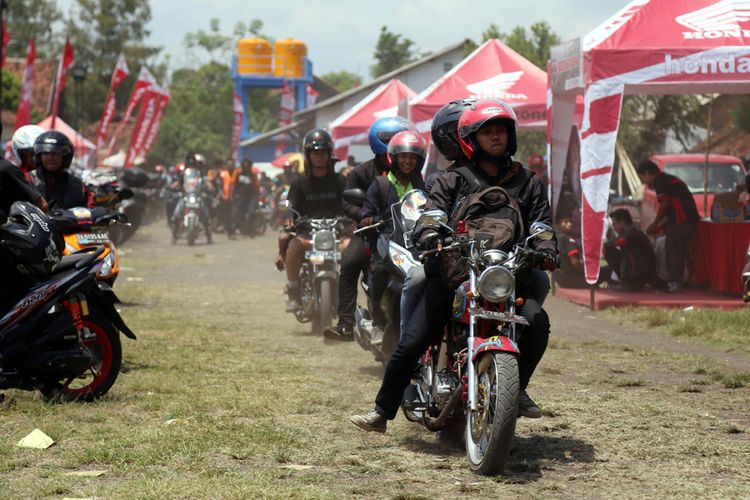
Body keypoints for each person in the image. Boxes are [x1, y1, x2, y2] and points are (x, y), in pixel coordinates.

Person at [350, 99, 558, 432]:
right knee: (412, 341)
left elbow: (541, 225)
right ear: (470, 139)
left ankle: (517, 389)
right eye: (487, 132)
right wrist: (431, 234)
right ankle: (382, 410)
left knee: (537, 322)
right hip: (456, 273)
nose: (495, 138)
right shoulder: (449, 179)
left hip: (506, 275)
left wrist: (546, 247)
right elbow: (431, 214)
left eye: (501, 131)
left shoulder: (527, 181)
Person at [324, 116, 415, 338]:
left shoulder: (413, 172)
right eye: (393, 138)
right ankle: (345, 322)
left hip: (405, 235)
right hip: (370, 233)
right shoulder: (361, 172)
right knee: (350, 262)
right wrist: (365, 218)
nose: (400, 143)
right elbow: (346, 201)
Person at [358, 130, 427, 345]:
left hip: (414, 239)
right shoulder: (381, 184)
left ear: (419, 160)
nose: (407, 161)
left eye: (412, 156)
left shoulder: (419, 182)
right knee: (379, 270)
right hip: (387, 237)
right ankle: (378, 320)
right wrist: (368, 219)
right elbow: (366, 211)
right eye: (403, 156)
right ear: (393, 157)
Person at [274, 129, 345, 312]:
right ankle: (293, 290)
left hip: (336, 232)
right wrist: (289, 218)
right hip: (307, 233)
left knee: (353, 248)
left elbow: (350, 204)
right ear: (308, 155)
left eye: (323, 153)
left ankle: (351, 292)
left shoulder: (340, 181)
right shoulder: (299, 183)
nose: (320, 157)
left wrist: (353, 218)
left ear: (329, 154)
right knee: (293, 245)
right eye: (315, 153)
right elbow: (289, 208)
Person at [637, 160, 699, 292]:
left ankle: (675, 283)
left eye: (642, 177)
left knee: (674, 251)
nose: (643, 182)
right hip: (685, 221)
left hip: (681, 222)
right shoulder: (668, 179)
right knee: (677, 251)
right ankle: (678, 280)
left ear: (647, 173)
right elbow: (671, 211)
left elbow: (664, 205)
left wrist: (655, 223)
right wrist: (658, 226)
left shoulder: (660, 182)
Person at [29, 131, 94, 210]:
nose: (50, 158)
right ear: (39, 156)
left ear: (65, 157)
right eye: (46, 153)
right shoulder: (28, 180)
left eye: (55, 153)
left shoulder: (78, 186)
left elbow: (91, 211)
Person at [603, 209, 662, 291]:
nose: (614, 227)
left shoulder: (632, 232)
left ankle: (629, 281)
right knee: (606, 268)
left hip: (641, 271)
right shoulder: (631, 231)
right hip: (645, 270)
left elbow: (618, 242)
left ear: (622, 222)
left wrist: (608, 245)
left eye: (615, 224)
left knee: (609, 249)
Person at [554, 215, 587, 289]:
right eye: (566, 222)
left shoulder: (554, 239)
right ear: (558, 225)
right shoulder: (567, 238)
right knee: (607, 270)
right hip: (574, 280)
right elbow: (575, 262)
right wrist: (587, 272)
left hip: (561, 281)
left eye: (571, 222)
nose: (570, 224)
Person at [232, 159, 259, 237]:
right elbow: (234, 184)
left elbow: (256, 185)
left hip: (251, 196)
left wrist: (257, 194)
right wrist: (233, 195)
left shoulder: (252, 174)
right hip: (241, 196)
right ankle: (242, 230)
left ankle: (251, 230)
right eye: (244, 164)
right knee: (240, 213)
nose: (246, 165)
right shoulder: (237, 173)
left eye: (248, 164)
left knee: (251, 212)